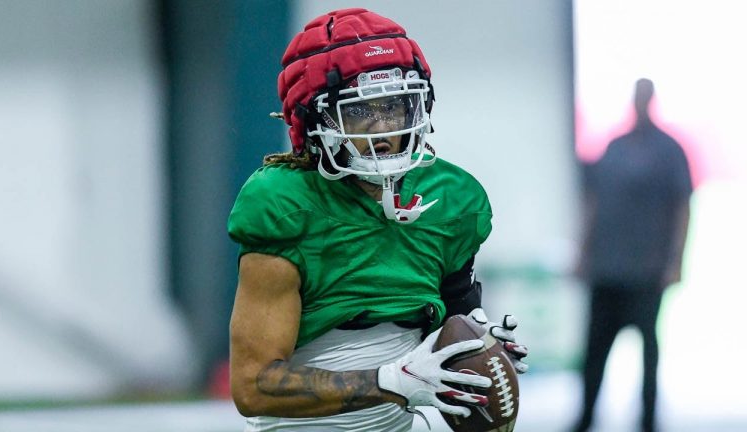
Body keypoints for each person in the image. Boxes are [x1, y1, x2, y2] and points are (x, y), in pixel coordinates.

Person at [226, 8, 529, 431]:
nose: (384, 129)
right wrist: (390, 381)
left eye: (396, 107)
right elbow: (253, 386)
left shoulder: (451, 199)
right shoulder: (285, 205)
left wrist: (480, 354)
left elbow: (449, 330)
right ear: (313, 120)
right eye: (361, 112)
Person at [572, 78, 693, 432]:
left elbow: (683, 207)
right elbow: (593, 204)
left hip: (647, 270)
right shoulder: (615, 147)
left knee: (648, 352)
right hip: (607, 267)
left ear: (651, 100)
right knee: (594, 351)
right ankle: (586, 417)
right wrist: (583, 252)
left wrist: (676, 261)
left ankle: (649, 420)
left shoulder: (670, 150)